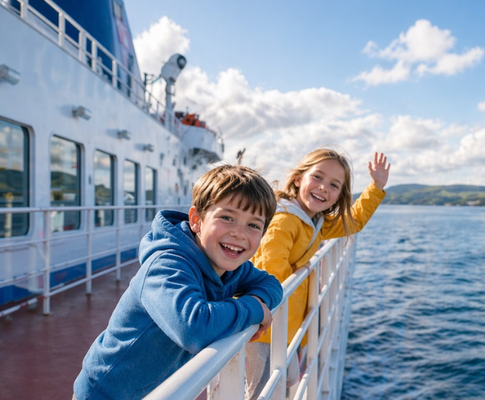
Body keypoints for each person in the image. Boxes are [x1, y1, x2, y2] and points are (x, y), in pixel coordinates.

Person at [73, 164, 284, 400]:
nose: (239, 233)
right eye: (227, 217)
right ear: (196, 220)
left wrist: (255, 301)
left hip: (162, 388)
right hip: (108, 393)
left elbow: (271, 285)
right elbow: (193, 328)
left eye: (253, 225)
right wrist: (254, 309)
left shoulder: (230, 267)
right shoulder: (166, 265)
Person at [245, 149, 390, 398]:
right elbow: (271, 271)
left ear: (338, 196)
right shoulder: (285, 221)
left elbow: (352, 221)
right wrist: (295, 271)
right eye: (318, 177)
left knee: (284, 380)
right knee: (262, 391)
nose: (324, 187)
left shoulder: (314, 221)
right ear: (299, 178)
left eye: (334, 185)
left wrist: (376, 187)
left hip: (286, 324)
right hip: (265, 329)